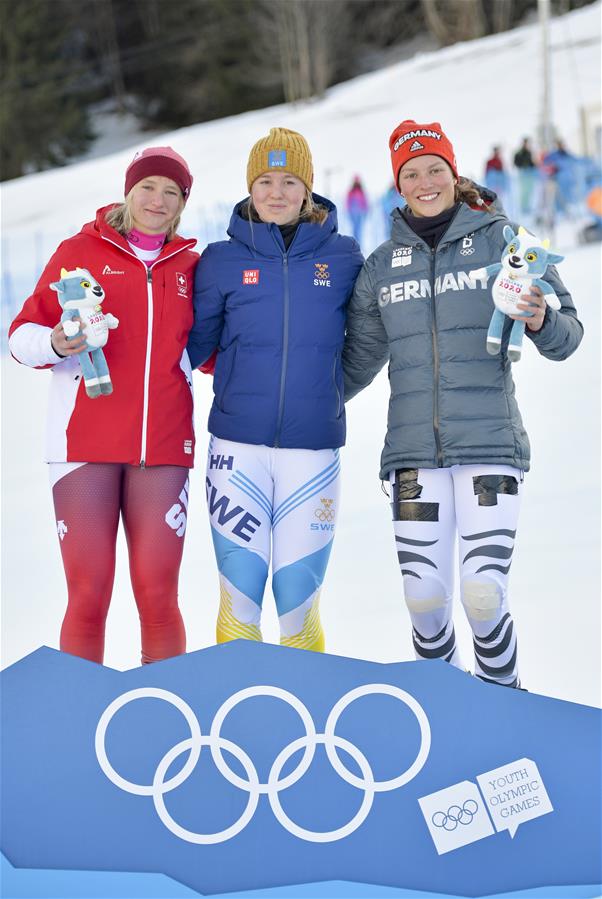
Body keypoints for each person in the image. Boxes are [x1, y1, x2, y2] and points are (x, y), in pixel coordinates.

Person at [342, 120, 583, 688]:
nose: (425, 182)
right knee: (423, 598)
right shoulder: (381, 266)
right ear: (397, 186)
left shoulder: (505, 241)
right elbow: (354, 364)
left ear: (454, 174)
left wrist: (542, 318)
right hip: (413, 456)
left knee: (481, 592)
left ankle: (504, 705)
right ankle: (446, 709)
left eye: (435, 169)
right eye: (411, 173)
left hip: (490, 448)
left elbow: (567, 336)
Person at [9, 147, 200, 665]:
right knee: (88, 594)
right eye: (147, 187)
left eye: (171, 192)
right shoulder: (81, 251)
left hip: (161, 451)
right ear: (128, 191)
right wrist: (54, 342)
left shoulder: (189, 266)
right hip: (82, 450)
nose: (157, 200)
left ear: (183, 202)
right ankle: (79, 723)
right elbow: (20, 334)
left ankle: (167, 720)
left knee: (159, 596)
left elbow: (212, 353)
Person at [187, 127, 363, 651]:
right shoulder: (220, 260)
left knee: (296, 600)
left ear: (308, 188)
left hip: (313, 453)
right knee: (240, 596)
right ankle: (238, 715)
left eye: (289, 181)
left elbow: (368, 342)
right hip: (237, 450)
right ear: (249, 187)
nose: (277, 193)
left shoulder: (345, 257)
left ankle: (305, 718)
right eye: (265, 180)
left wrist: (328, 391)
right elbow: (192, 348)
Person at [513, 137, 537, 216]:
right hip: (523, 174)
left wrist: (534, 165)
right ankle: (523, 207)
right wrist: (522, 166)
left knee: (529, 190)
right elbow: (516, 162)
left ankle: (527, 207)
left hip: (530, 174)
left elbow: (532, 163)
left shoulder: (529, 153)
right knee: (524, 191)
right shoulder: (519, 153)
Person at [346, 175, 369, 245]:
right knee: (355, 228)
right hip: (353, 213)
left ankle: (359, 243)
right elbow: (348, 202)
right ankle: (354, 243)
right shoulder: (351, 192)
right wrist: (348, 210)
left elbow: (365, 202)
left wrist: (366, 210)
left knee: (359, 229)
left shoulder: (361, 191)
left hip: (360, 213)